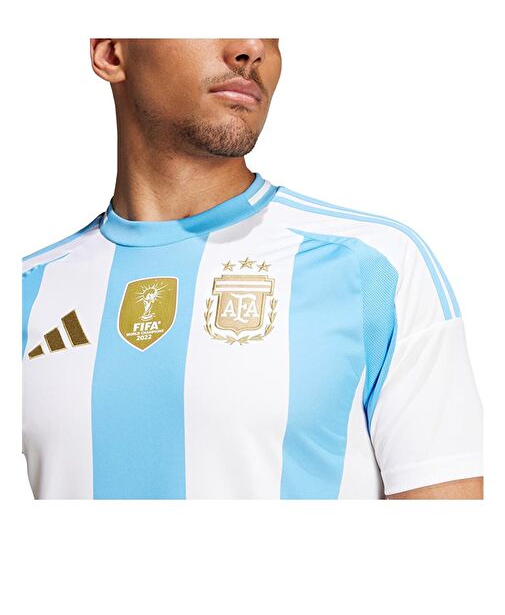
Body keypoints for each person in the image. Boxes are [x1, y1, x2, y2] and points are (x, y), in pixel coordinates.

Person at [21, 39, 483, 500]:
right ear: (111, 53)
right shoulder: (26, 291)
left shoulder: (373, 267)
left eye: (270, 31)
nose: (251, 48)